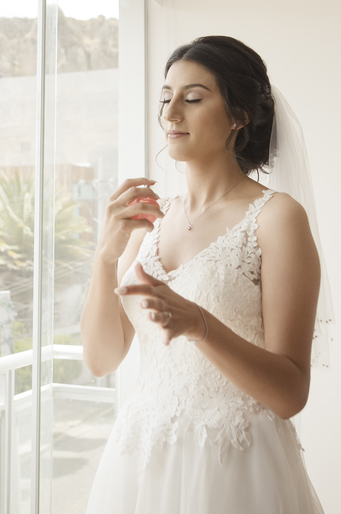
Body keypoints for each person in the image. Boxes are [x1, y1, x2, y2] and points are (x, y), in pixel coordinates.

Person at [81, 35, 327, 513]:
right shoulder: (150, 220)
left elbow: (290, 393)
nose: (171, 113)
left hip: (233, 467)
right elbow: (101, 359)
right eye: (166, 98)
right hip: (142, 461)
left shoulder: (276, 218)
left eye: (193, 98)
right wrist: (104, 257)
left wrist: (199, 324)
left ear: (240, 116)